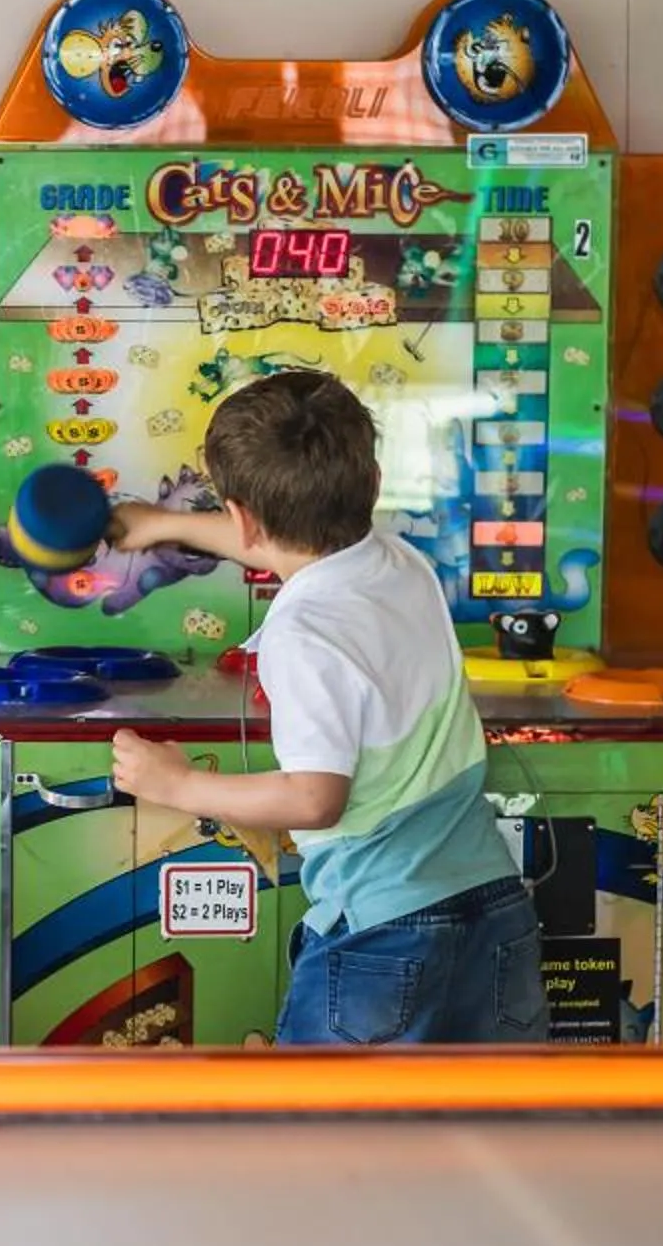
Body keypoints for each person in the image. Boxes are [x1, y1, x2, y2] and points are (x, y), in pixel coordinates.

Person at [106, 370, 548, 1045]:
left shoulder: (303, 633)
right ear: (374, 481)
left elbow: (315, 799)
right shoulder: (401, 564)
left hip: (383, 934)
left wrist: (176, 783)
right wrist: (165, 524)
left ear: (242, 517)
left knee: (320, 1116)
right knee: (482, 1113)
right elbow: (280, 538)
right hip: (494, 910)